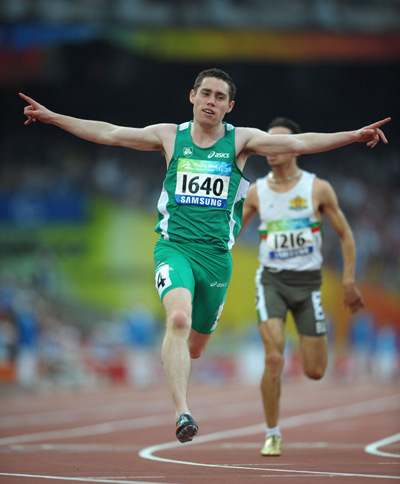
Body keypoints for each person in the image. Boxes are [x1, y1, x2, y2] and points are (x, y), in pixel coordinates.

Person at [19, 69, 389, 444]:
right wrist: (53, 117)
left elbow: (301, 143)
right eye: (205, 93)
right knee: (178, 319)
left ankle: (188, 356)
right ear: (192, 96)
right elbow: (109, 132)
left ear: (230, 106)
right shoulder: (169, 136)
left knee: (195, 347)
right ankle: (182, 412)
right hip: (174, 246)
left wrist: (354, 135)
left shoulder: (241, 141)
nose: (211, 101)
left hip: (216, 259)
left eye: (219, 97)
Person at [241, 116, 366, 457]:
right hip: (272, 282)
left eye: (279, 143)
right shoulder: (255, 192)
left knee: (314, 370)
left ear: (294, 148)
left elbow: (346, 235)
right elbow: (228, 236)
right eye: (268, 143)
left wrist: (348, 279)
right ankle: (272, 433)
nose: (271, 149)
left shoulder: (317, 189)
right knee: (274, 355)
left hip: (308, 284)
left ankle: (302, 344)